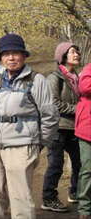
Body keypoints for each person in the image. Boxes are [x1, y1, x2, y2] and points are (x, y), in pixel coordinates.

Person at [0, 33, 59, 219]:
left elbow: (50, 115)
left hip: (22, 146)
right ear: (0, 58)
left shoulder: (37, 80)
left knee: (21, 199)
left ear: (24, 56)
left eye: (16, 53)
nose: (11, 58)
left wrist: (39, 143)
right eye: (6, 54)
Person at [41, 42, 81, 212]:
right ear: (63, 56)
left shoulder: (77, 77)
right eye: (72, 52)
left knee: (80, 163)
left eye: (77, 52)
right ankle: (48, 198)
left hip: (74, 127)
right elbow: (54, 103)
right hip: (57, 127)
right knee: (55, 164)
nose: (77, 54)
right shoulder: (54, 77)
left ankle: (75, 192)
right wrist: (78, 109)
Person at [75, 62, 91, 219]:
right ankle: (85, 208)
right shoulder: (89, 69)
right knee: (88, 169)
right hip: (88, 130)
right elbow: (85, 87)